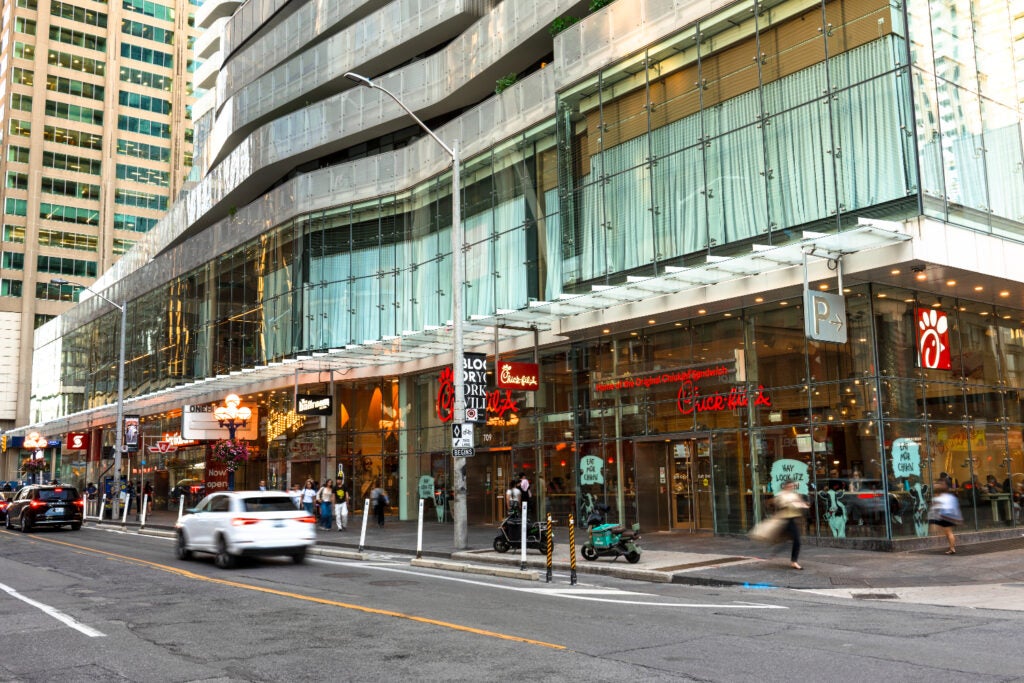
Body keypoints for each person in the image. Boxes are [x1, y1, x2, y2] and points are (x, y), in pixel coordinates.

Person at [773, 480, 809, 570]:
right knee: (796, 539)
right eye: (789, 486)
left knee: (793, 540)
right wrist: (789, 503)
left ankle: (792, 560)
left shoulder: (793, 495)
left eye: (792, 486)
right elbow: (779, 504)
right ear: (785, 486)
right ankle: (793, 561)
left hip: (792, 519)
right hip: (785, 520)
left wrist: (803, 504)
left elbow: (800, 504)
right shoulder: (781, 495)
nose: (791, 487)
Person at [928, 481, 962, 554]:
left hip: (945, 516)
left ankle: (952, 548)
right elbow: (955, 506)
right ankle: (951, 547)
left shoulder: (938, 498)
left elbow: (935, 509)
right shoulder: (950, 497)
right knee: (948, 532)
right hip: (950, 516)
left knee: (948, 533)